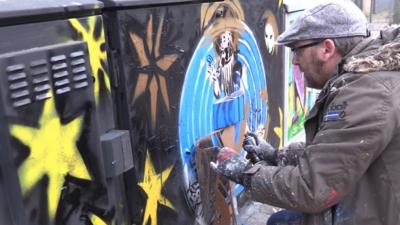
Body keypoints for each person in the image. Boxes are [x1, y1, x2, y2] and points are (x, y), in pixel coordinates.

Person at [211, 0, 400, 224]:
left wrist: (242, 172)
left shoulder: (368, 94)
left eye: (297, 49)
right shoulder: (364, 81)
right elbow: (335, 151)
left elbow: (311, 188)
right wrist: (274, 155)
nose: (294, 61)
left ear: (327, 49)